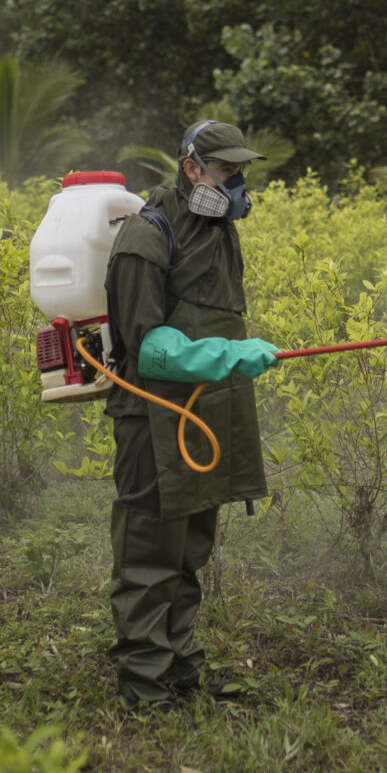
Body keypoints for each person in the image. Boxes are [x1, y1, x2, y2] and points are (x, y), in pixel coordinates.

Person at [99, 120, 278, 711]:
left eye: (240, 171)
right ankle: (144, 686)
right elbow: (146, 347)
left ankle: (180, 669)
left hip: (207, 415)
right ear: (192, 167)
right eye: (225, 170)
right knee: (150, 552)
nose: (236, 183)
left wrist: (232, 358)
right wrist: (229, 354)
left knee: (190, 550)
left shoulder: (220, 231)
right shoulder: (145, 238)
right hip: (153, 418)